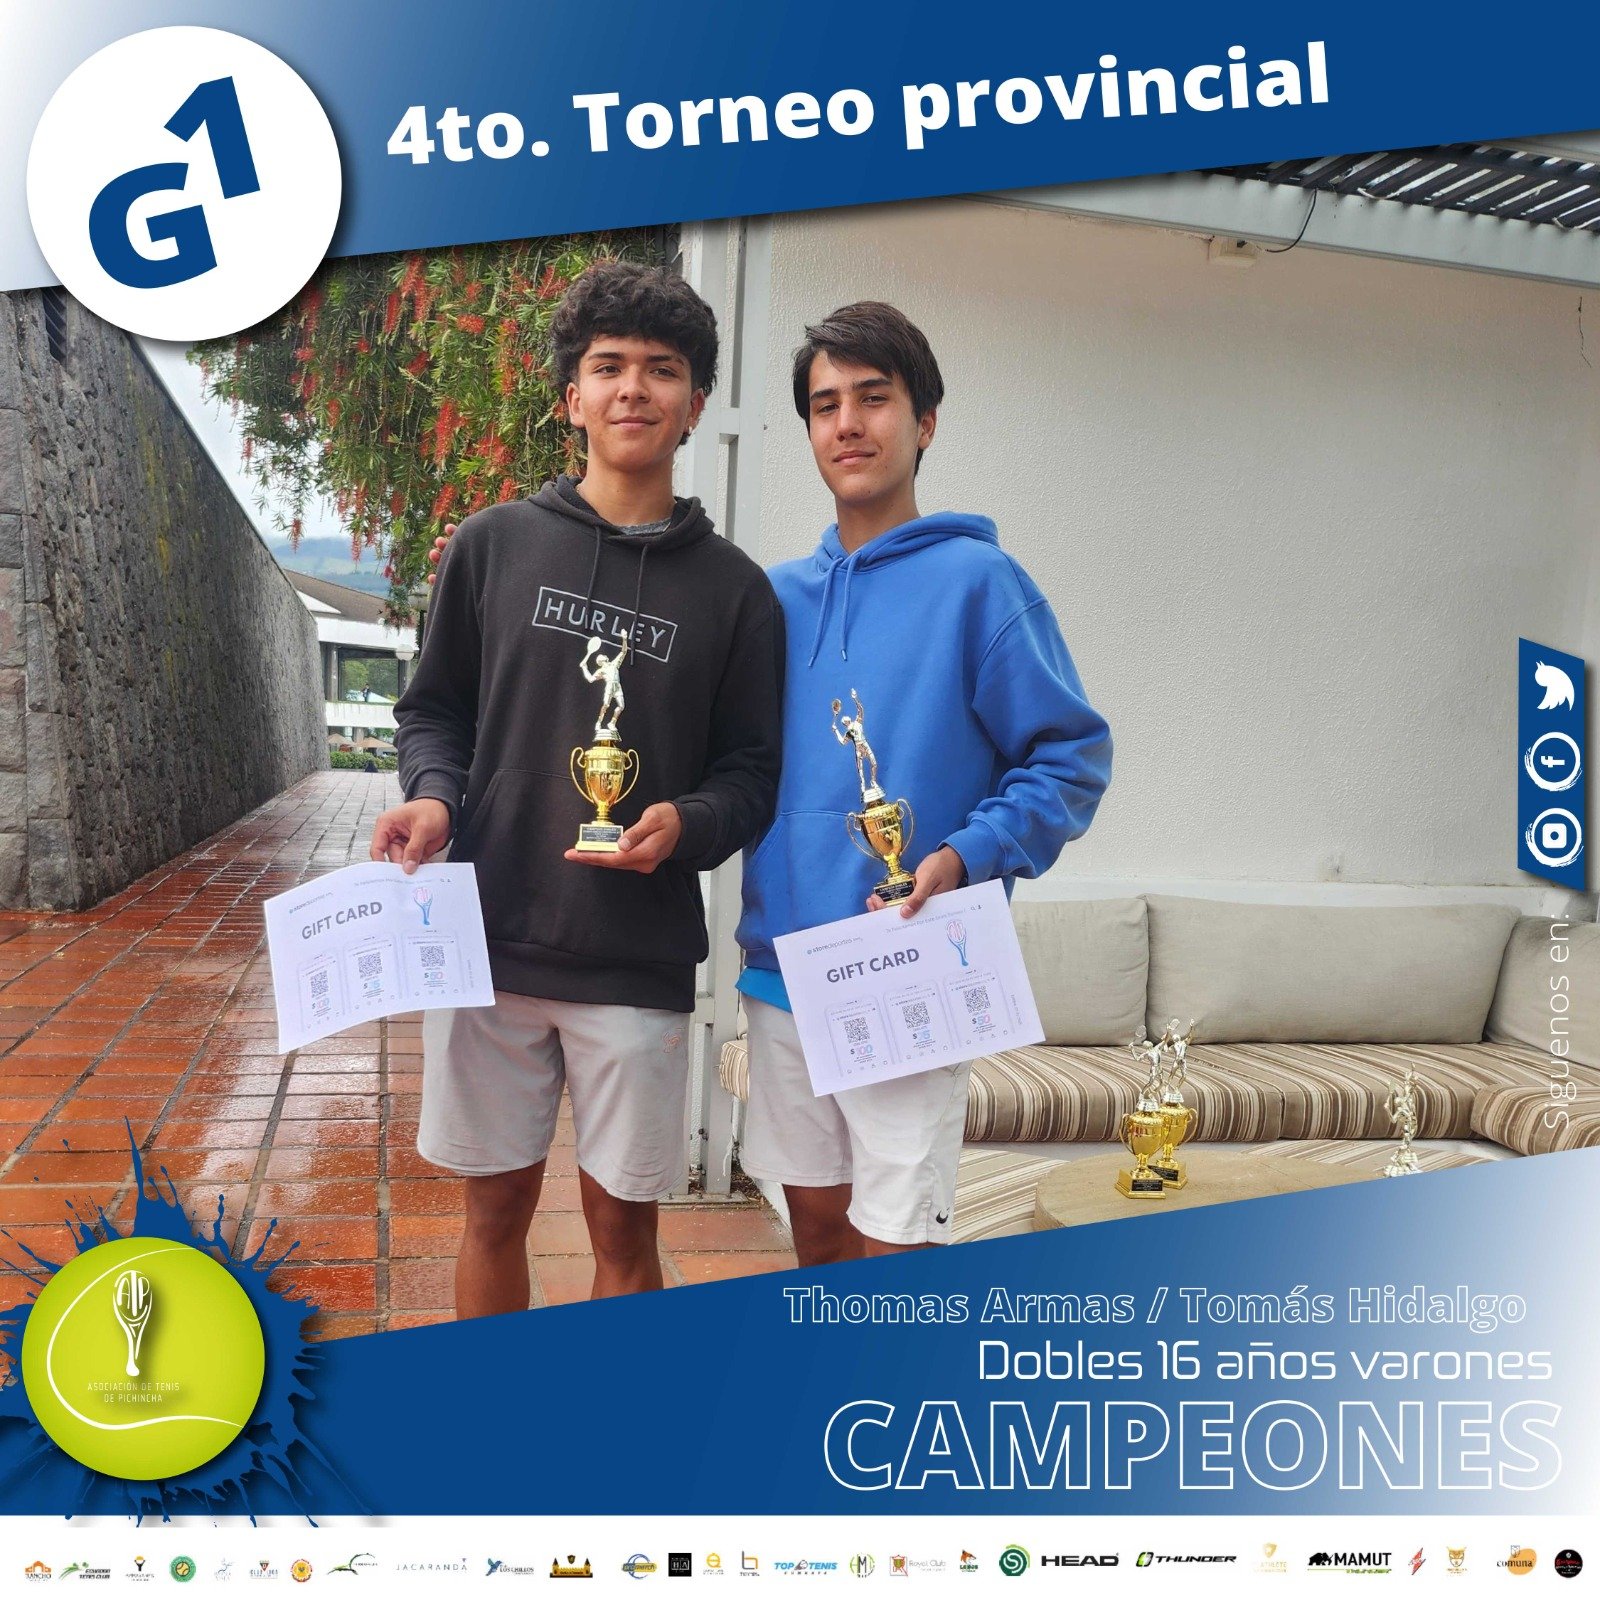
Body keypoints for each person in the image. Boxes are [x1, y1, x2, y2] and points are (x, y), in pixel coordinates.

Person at [370, 261, 784, 1314]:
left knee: (623, 1232)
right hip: (490, 941)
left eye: (662, 369)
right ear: (572, 398)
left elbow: (752, 774)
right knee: (493, 1214)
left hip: (636, 959)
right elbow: (435, 712)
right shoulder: (493, 546)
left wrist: (687, 822)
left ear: (695, 404)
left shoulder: (737, 592)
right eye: (608, 367)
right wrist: (434, 798)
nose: (633, 387)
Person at [735, 301, 1111, 1266]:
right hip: (783, 969)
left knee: (899, 1248)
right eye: (826, 405)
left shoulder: (983, 583)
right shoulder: (773, 599)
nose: (848, 424)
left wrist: (963, 854)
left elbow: (1071, 756)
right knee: (814, 1234)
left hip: (909, 959)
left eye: (875, 398)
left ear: (925, 422)